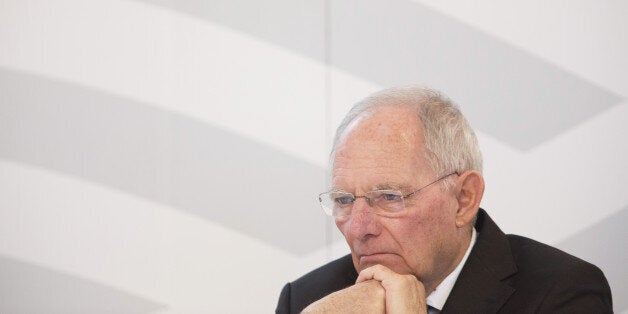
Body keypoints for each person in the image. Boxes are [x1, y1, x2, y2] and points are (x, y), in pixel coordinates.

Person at [275, 87, 613, 313]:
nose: (359, 227)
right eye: (345, 199)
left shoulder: (561, 293)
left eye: (390, 196)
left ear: (464, 199)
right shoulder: (311, 300)